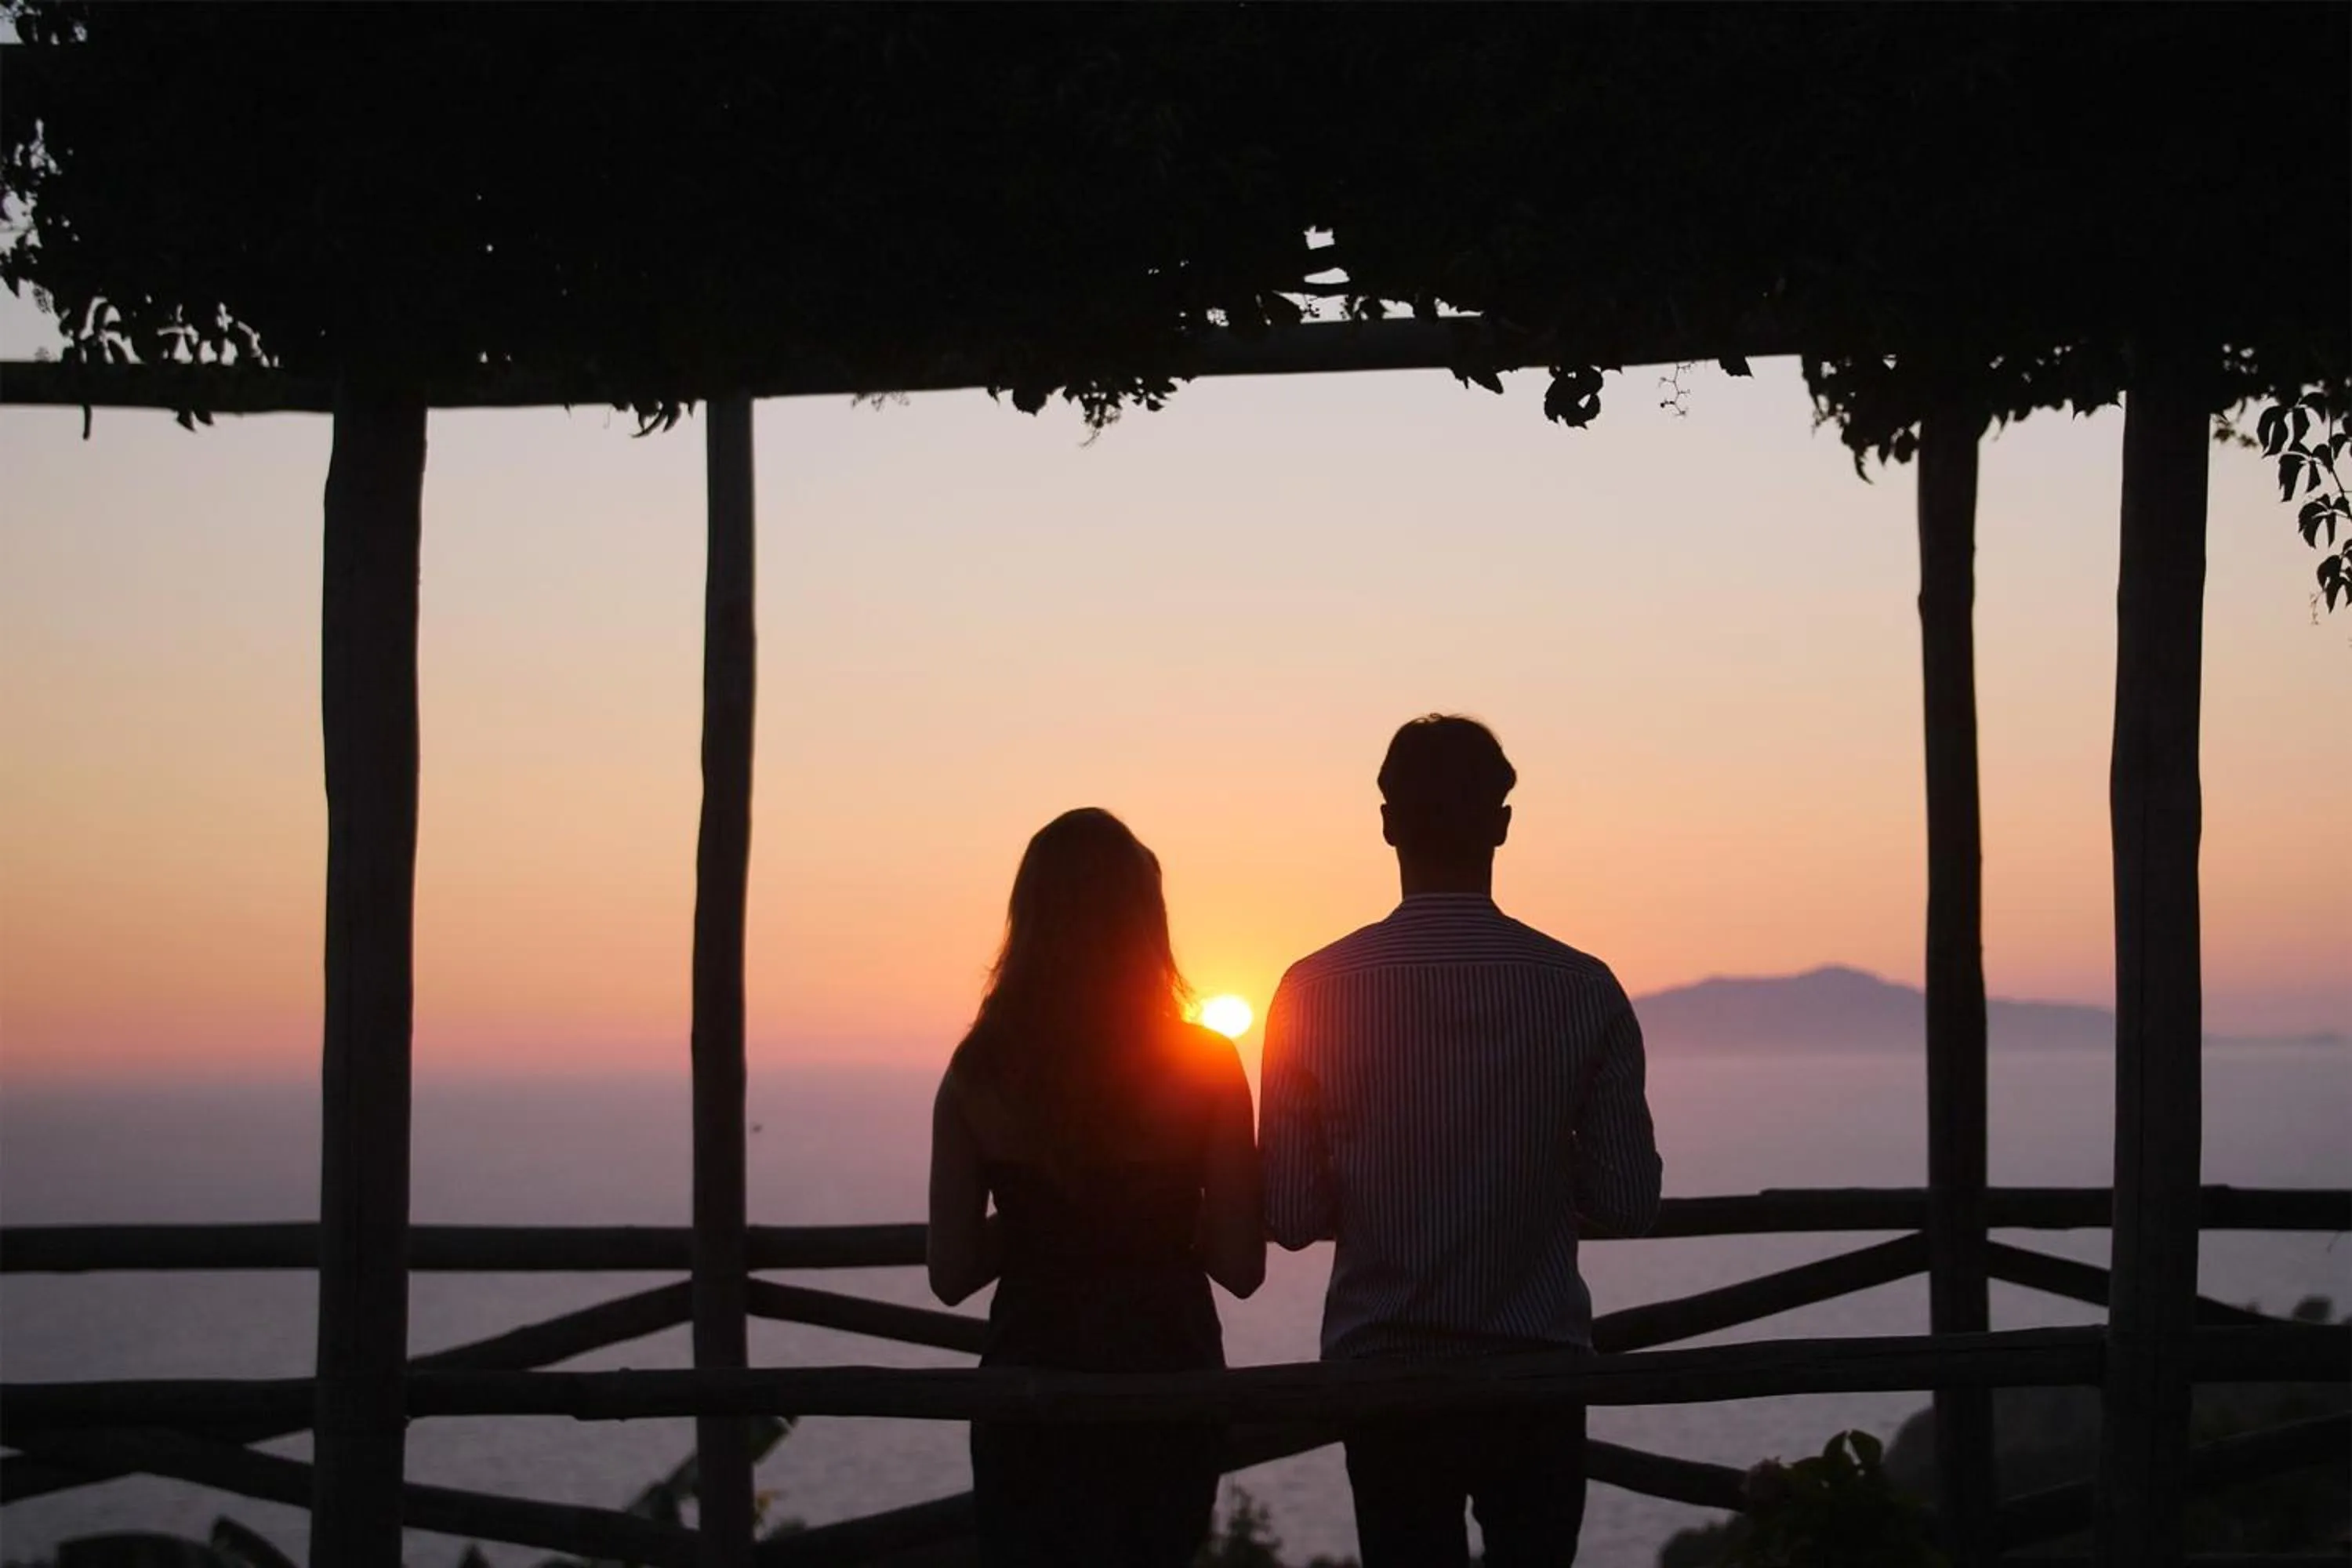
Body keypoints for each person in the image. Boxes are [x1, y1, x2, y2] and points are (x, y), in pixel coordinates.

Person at [1260, 714, 1662, 1568]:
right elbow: (1627, 1201)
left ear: (1387, 823)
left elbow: (1291, 1212)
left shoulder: (1311, 989)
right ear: (1503, 823)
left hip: (1386, 1372)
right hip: (1538, 1372)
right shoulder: (1582, 987)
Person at [928, 807, 1265, 1568]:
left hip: (1029, 1389)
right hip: (1166, 1381)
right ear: (1145, 921)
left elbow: (949, 1272)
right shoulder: (1207, 1063)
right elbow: (1242, 1265)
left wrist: (1045, 1211)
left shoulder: (978, 1070)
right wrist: (1155, 1211)